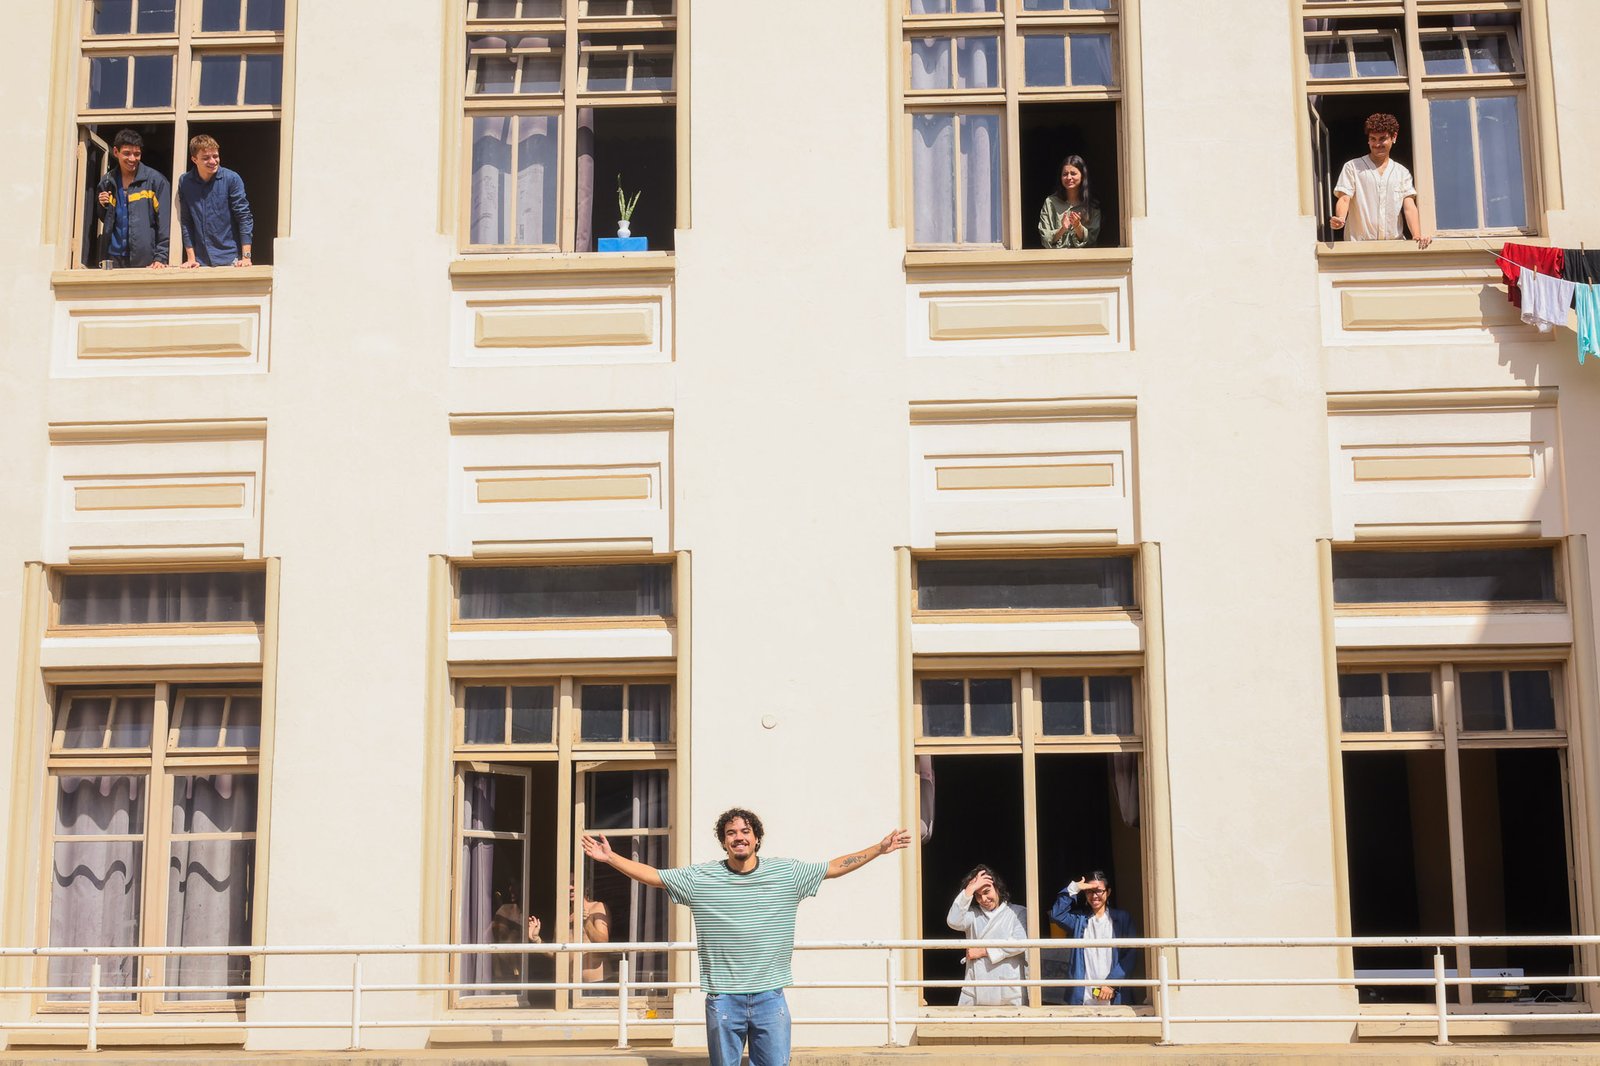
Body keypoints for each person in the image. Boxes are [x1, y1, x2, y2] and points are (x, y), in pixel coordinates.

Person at [582, 807, 910, 1066]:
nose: (738, 837)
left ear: (756, 839)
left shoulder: (786, 873)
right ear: (724, 841)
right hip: (724, 998)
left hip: (771, 996)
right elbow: (654, 877)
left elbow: (833, 867)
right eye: (731, 833)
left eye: (744, 831)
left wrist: (879, 849)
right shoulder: (700, 878)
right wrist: (610, 857)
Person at [1330, 113, 1432, 248]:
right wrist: (1340, 218)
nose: (1377, 144)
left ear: (1394, 137)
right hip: (1358, 247)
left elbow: (1409, 207)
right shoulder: (1353, 167)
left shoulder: (1402, 172)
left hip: (1394, 247)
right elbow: (1344, 198)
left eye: (1382, 139)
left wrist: (1416, 235)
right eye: (1373, 139)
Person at [1049, 869, 1137, 1006]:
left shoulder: (1122, 918)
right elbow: (1057, 914)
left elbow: (1131, 954)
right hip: (1084, 994)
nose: (1094, 895)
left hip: (1113, 993)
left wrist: (1112, 983)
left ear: (1108, 892)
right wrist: (1075, 888)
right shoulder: (1079, 920)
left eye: (1099, 891)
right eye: (1090, 891)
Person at [946, 864, 1027, 1006]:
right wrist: (969, 890)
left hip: (1008, 986)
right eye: (977, 895)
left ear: (998, 888)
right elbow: (953, 921)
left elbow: (1020, 943)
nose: (983, 899)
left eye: (987, 891)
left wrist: (984, 951)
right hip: (976, 986)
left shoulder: (1018, 912)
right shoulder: (972, 915)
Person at [94, 129, 170, 269]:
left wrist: (161, 257)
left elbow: (165, 223)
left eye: (137, 154)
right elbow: (105, 219)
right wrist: (102, 205)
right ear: (116, 152)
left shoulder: (155, 181)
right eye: (127, 154)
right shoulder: (107, 181)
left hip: (145, 259)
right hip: (113, 256)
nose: (132, 159)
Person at [177, 134, 254, 268]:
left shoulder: (232, 179)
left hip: (231, 259)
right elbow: (186, 221)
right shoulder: (185, 182)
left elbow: (244, 218)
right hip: (200, 262)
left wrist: (246, 257)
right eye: (206, 158)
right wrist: (191, 258)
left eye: (215, 156)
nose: (213, 161)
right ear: (194, 159)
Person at [525, 881, 610, 984]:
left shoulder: (597, 907)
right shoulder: (563, 915)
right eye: (567, 883)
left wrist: (586, 923)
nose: (570, 887)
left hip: (595, 984)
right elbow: (557, 954)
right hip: (569, 985)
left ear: (585, 886)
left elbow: (603, 945)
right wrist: (537, 939)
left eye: (574, 883)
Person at [1038, 154, 1101, 249]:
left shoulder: (1092, 206)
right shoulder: (1050, 202)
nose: (1069, 177)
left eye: (1073, 173)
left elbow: (1091, 240)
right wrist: (1063, 229)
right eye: (1065, 174)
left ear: (1082, 176)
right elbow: (1045, 239)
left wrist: (1078, 226)